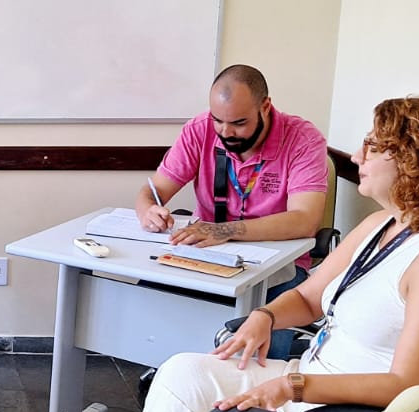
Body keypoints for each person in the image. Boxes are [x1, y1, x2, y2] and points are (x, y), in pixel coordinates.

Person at [114, 96, 419, 412]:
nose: (355, 156)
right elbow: (309, 297)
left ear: (415, 160)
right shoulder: (381, 225)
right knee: (182, 374)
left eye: (372, 146)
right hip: (315, 387)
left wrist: (293, 386)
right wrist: (265, 316)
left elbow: (405, 385)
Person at [137, 65, 331, 359]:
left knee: (251, 363)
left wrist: (222, 231)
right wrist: (148, 210)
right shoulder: (199, 129)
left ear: (265, 107)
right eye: (218, 120)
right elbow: (152, 192)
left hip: (277, 267)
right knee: (151, 302)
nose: (225, 133)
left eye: (239, 123)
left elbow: (305, 221)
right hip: (208, 257)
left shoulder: (302, 139)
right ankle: (171, 375)